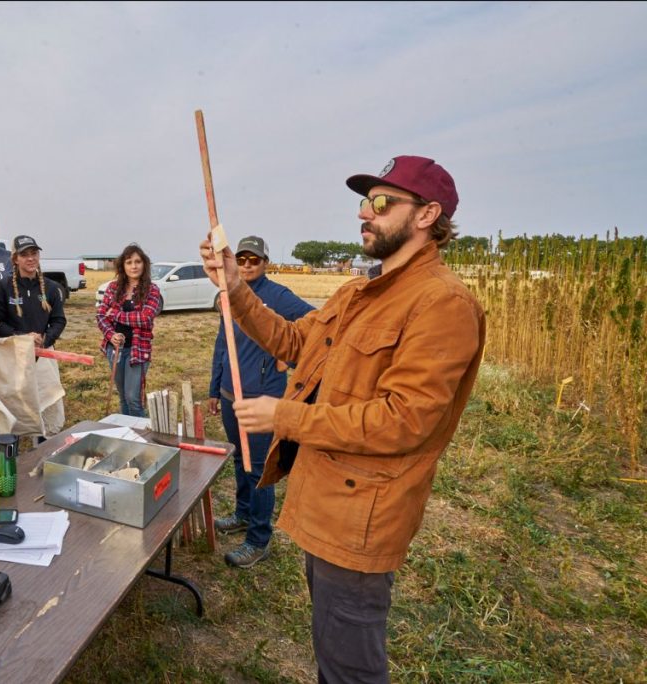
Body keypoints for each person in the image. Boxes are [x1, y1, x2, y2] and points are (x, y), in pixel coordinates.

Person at [199, 156, 486, 682]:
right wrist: (235, 287)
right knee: (331, 644)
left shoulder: (442, 303)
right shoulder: (357, 293)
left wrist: (285, 416)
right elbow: (293, 340)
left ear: (428, 215)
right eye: (364, 203)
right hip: (327, 498)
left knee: (350, 664)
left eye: (381, 203)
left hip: (363, 518)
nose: (365, 215)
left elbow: (404, 420)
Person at [208, 236, 313, 569]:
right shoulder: (229, 294)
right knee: (240, 460)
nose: (248, 265)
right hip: (230, 395)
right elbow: (222, 344)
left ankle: (258, 540)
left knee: (258, 471)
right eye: (242, 260)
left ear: (265, 262)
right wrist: (214, 387)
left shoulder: (277, 296)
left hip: (262, 398)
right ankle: (242, 513)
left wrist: (288, 359)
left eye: (254, 260)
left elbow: (317, 329)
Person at [95, 244, 162, 417]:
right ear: (122, 266)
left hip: (138, 350)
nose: (134, 266)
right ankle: (125, 435)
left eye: (138, 262)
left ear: (144, 264)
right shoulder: (113, 288)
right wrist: (111, 335)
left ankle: (141, 436)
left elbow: (145, 318)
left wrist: (116, 314)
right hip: (115, 349)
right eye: (129, 262)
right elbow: (101, 316)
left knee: (133, 398)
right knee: (123, 397)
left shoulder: (152, 290)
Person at [0, 235, 66, 349]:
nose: (30, 258)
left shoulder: (51, 287)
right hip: (13, 350)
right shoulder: (4, 286)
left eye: (34, 253)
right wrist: (22, 337)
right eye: (24, 255)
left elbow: (59, 320)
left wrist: (45, 340)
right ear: (15, 259)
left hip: (43, 351)